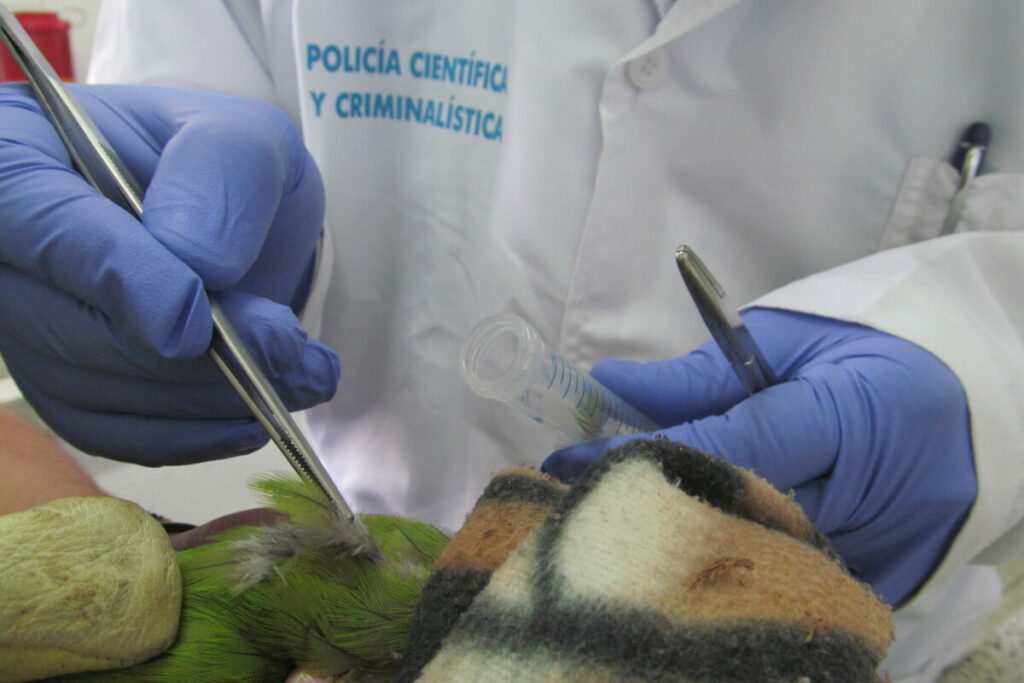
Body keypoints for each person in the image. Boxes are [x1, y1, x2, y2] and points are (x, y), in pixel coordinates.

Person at [1, 1, 1022, 679]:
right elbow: (168, 131)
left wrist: (975, 358)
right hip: (356, 577)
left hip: (850, 627)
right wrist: (136, 258)